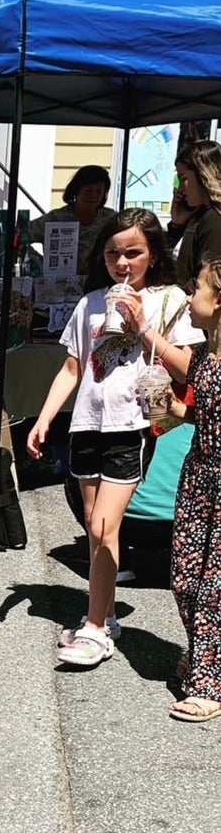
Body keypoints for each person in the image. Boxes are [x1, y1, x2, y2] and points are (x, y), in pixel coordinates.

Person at [26, 208, 203, 669]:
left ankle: (96, 630)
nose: (122, 263)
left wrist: (143, 325)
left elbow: (187, 367)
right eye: (112, 254)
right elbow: (72, 367)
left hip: (134, 424)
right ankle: (102, 611)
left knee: (104, 526)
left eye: (133, 253)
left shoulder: (171, 300)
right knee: (96, 528)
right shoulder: (90, 303)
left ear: (153, 254)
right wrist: (45, 419)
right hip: (88, 422)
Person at [167, 257, 221, 721]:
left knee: (214, 590)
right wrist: (172, 409)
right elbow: (202, 417)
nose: (190, 296)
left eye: (197, 288)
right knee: (183, 579)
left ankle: (208, 680)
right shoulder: (203, 358)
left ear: (218, 299)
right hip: (199, 475)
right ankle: (204, 653)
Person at [29, 165, 117, 276]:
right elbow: (17, 237)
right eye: (88, 190)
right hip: (59, 286)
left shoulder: (110, 220)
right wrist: (39, 263)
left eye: (99, 191)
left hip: (98, 287)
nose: (93, 195)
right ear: (76, 190)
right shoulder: (56, 218)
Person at [167, 139, 221, 293]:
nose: (180, 188)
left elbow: (207, 280)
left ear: (203, 176)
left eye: (184, 178)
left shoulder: (214, 217)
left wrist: (170, 295)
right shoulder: (198, 216)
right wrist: (177, 224)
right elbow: (175, 263)